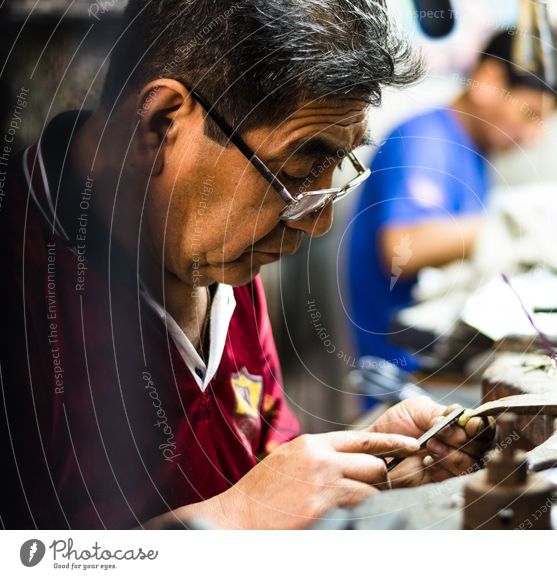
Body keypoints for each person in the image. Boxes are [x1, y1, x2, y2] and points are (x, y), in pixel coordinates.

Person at [0, 0, 492, 530]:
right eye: (296, 173)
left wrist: (362, 459)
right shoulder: (27, 289)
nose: (316, 224)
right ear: (159, 125)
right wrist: (236, 518)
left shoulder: (218, 261)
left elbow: (256, 461)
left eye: (335, 171)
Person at [346, 30, 557, 370]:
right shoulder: (424, 140)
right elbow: (402, 247)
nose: (534, 136)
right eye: (530, 114)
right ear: (488, 81)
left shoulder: (473, 151)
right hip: (408, 373)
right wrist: (507, 225)